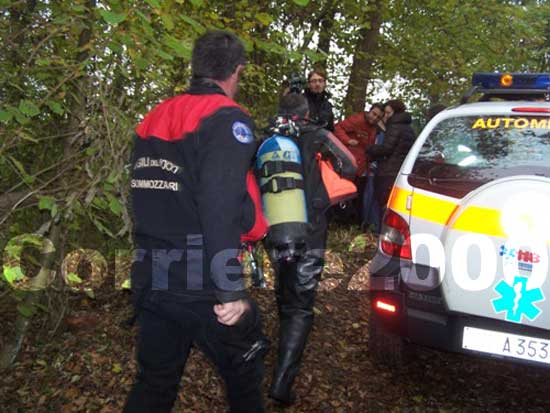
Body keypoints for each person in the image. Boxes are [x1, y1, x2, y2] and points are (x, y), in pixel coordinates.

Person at [124, 30, 268, 413]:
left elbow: (146, 193)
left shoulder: (154, 115)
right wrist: (230, 289)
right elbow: (219, 204)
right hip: (200, 280)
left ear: (196, 66)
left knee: (154, 382)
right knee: (245, 375)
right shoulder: (226, 119)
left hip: (152, 273)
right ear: (237, 71)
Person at [265, 93, 356, 405]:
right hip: (311, 227)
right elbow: (351, 165)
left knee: (284, 285)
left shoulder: (269, 137)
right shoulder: (319, 135)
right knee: (301, 303)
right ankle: (282, 380)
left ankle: (277, 347)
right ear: (306, 113)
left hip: (274, 224)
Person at [333, 103, 384, 223]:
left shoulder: (375, 128)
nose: (375, 118)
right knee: (343, 194)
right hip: (349, 164)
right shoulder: (358, 120)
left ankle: (348, 222)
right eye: (374, 114)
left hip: (361, 168)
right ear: (369, 111)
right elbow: (338, 128)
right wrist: (348, 140)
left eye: (378, 117)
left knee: (355, 196)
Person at [366, 99, 416, 213]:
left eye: (388, 113)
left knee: (382, 204)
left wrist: (370, 149)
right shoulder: (408, 128)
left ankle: (377, 229)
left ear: (395, 112)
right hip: (399, 170)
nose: (386, 116)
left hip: (388, 171)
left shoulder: (395, 127)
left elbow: (387, 148)